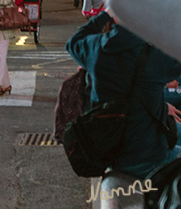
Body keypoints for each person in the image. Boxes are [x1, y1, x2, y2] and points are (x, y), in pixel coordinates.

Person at [67, 11, 181, 179]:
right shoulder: (155, 56)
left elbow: (73, 42)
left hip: (111, 151)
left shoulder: (96, 48)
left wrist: (105, 15)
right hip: (151, 157)